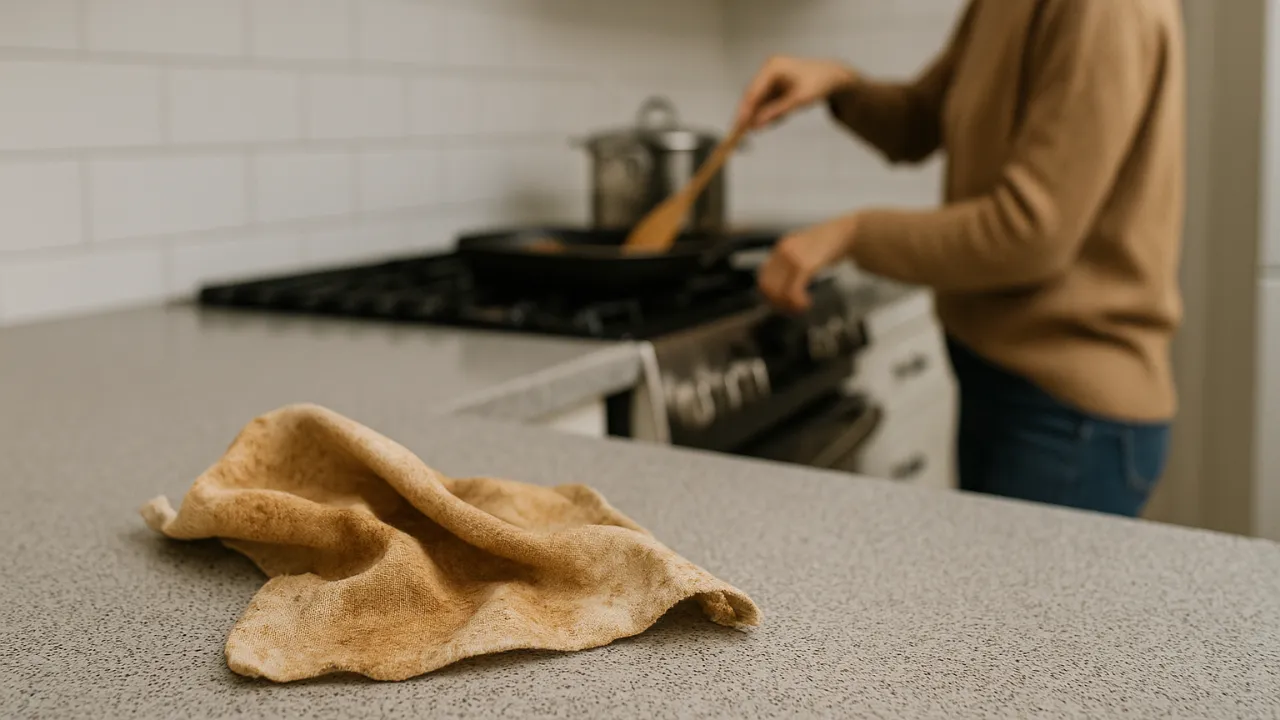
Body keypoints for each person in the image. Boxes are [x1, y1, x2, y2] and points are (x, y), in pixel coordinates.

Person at [737, 0, 1185, 517]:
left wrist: (854, 233)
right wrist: (839, 84)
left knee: (1020, 600)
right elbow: (923, 119)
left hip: (1070, 421)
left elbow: (1031, 232)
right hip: (999, 381)